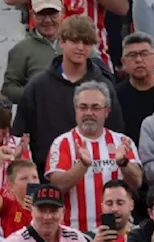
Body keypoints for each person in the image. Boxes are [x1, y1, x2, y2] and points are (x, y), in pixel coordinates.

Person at [14, 15, 125, 171]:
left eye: (86, 42)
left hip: (96, 172)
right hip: (47, 172)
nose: (80, 47)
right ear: (62, 42)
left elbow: (116, 133)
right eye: (74, 41)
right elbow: (20, 133)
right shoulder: (38, 85)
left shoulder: (104, 85)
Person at [46, 81, 143, 233]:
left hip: (118, 231)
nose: (89, 112)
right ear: (75, 110)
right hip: (76, 232)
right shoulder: (62, 143)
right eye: (83, 107)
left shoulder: (122, 141)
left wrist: (123, 163)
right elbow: (57, 187)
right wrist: (82, 165)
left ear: (107, 111)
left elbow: (137, 182)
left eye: (95, 107)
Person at [2, 0, 62, 104]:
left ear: (62, 13)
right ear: (32, 15)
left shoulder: (75, 44)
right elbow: (8, 89)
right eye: (41, 15)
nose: (47, 20)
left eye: (52, 14)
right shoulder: (21, 49)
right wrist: (36, 95)